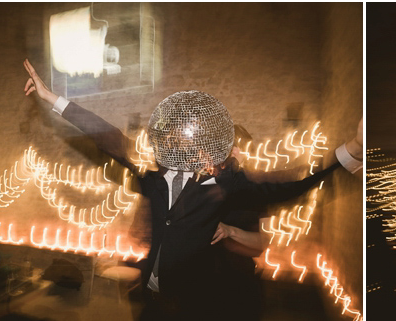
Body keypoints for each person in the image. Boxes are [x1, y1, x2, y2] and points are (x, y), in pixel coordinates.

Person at [21, 59, 362, 320]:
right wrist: (54, 99)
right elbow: (109, 138)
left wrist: (349, 150)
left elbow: (291, 181)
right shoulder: (155, 177)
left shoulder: (229, 187)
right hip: (150, 305)